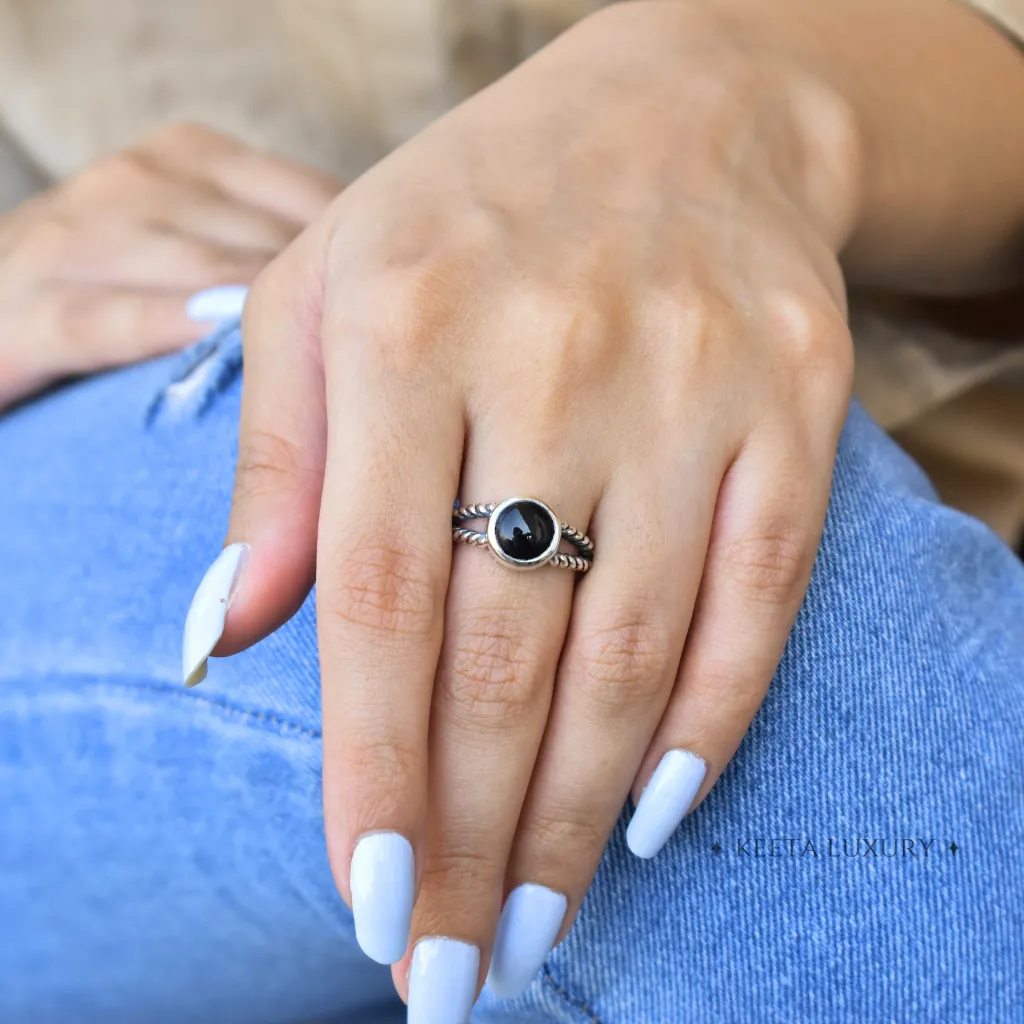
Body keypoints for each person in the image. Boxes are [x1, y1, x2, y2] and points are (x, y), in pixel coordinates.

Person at [1, 0, 1022, 1021]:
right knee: (824, 683)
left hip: (839, 305)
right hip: (132, 373)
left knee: (715, 560)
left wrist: (754, 93)